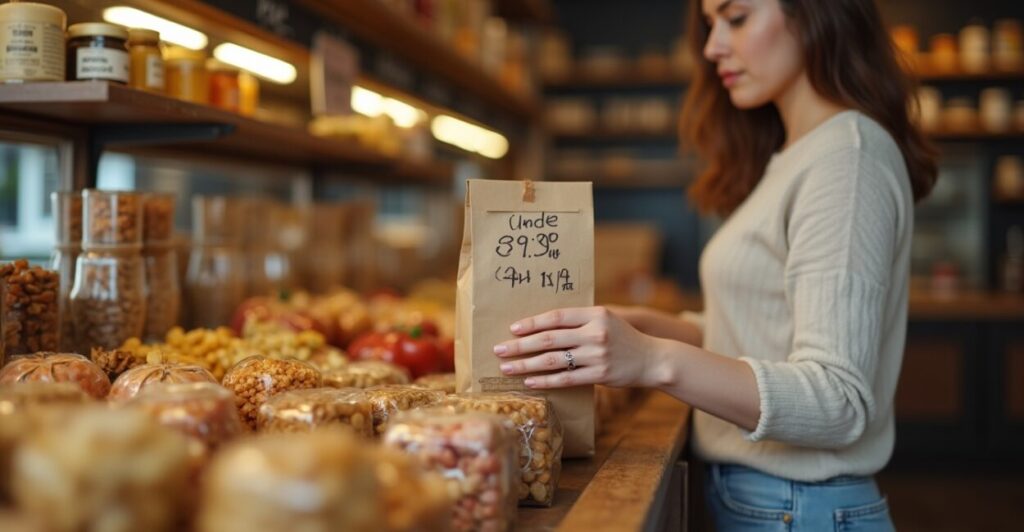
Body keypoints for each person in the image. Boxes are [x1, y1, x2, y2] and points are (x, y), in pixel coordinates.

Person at [491, 0, 937, 529]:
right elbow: (774, 332)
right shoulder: (800, 154)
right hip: (775, 501)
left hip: (800, 507)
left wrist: (655, 359)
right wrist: (664, 328)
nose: (712, 46)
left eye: (738, 17)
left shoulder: (848, 158)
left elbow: (837, 399)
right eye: (709, 25)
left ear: (816, 13)